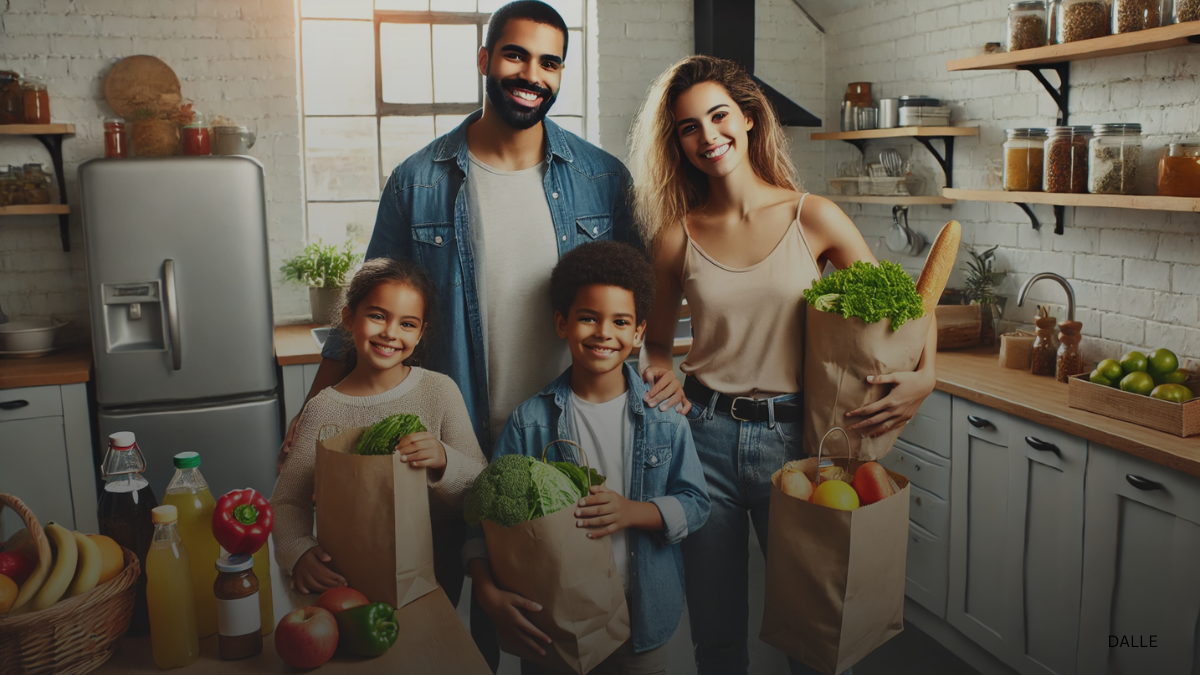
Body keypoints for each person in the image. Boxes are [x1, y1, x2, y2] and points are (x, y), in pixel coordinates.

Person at [275, 2, 671, 667]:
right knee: (435, 631)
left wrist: (657, 356)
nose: (531, 74)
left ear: (561, 73)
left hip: (553, 445)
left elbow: (642, 294)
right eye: (515, 55)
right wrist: (312, 409)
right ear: (485, 60)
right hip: (438, 441)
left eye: (549, 63)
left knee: (555, 632)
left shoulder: (603, 179)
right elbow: (372, 298)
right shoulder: (419, 179)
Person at [628, 55, 938, 675]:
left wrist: (926, 376)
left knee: (814, 630)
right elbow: (656, 342)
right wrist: (656, 367)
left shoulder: (812, 216)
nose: (708, 136)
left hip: (800, 439)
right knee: (715, 634)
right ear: (678, 143)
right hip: (703, 438)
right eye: (689, 127)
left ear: (746, 119)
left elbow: (901, 314)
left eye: (718, 117)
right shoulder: (675, 235)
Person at [466, 240, 710, 675]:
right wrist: (486, 591)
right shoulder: (529, 422)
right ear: (562, 323)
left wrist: (633, 512)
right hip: (553, 623)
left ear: (638, 333)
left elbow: (696, 504)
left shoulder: (665, 418)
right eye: (587, 318)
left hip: (642, 622)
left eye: (620, 321)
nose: (603, 332)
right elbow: (486, 520)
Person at [271, 258, 487, 597]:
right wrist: (297, 552)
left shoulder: (440, 391)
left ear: (421, 333)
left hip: (436, 556)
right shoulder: (322, 408)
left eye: (407, 324)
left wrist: (445, 459)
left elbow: (479, 485)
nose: (390, 333)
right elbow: (288, 501)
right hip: (347, 563)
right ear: (347, 318)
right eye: (377, 316)